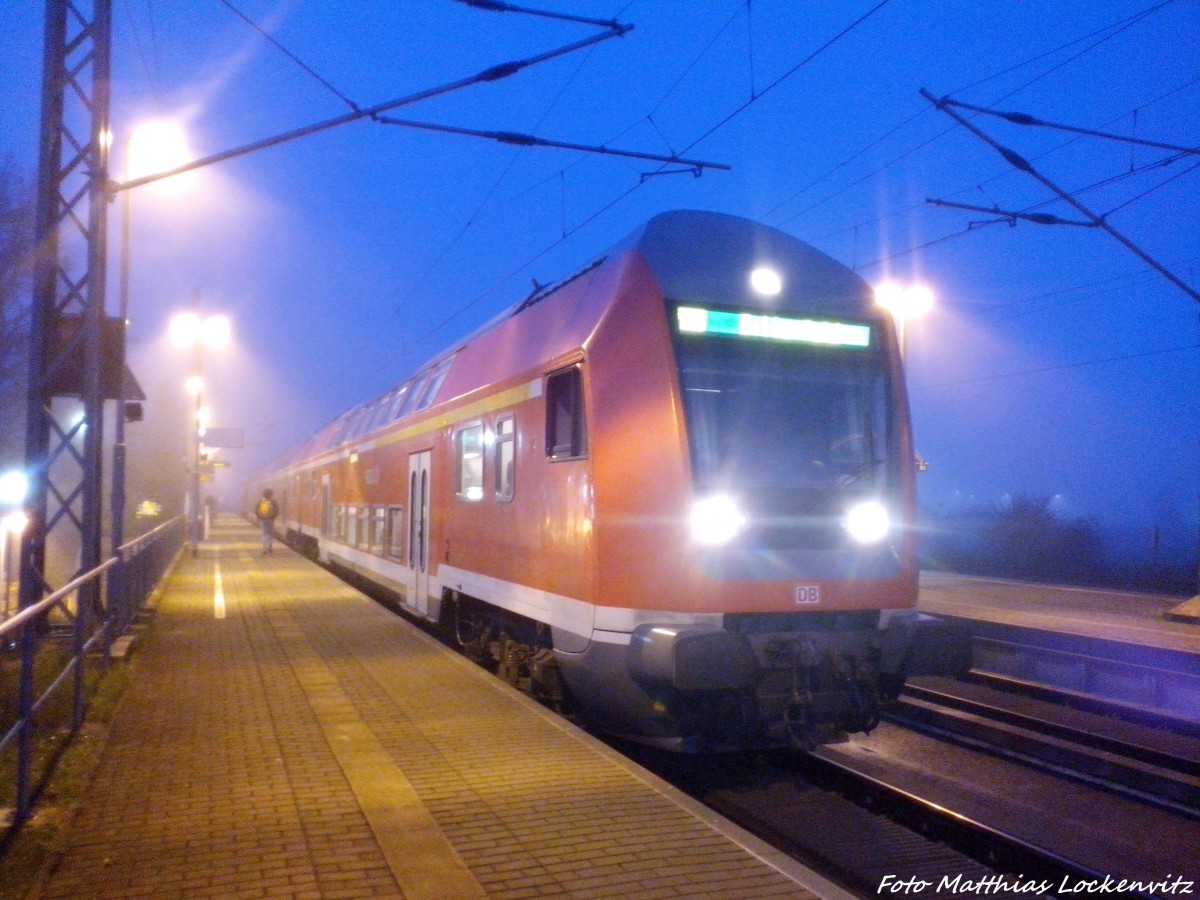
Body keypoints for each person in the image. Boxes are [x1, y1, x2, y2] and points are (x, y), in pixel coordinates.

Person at [255, 488, 279, 555]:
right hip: (270, 520)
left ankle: (264, 548)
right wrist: (273, 517)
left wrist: (259, 517)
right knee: (270, 534)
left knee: (264, 534)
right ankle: (270, 547)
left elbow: (256, 510)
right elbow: (277, 510)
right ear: (271, 494)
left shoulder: (260, 501)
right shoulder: (273, 502)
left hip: (263, 520)